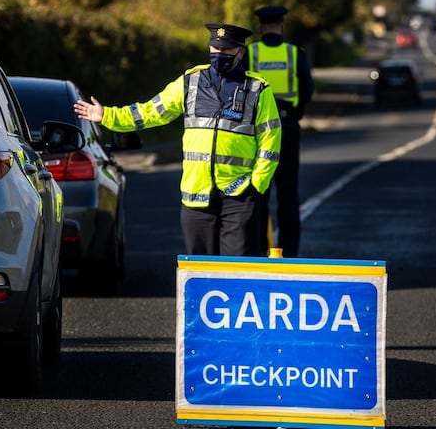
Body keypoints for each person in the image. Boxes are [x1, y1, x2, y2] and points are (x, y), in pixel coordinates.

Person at [74, 22, 281, 257]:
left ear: (240, 53)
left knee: (237, 271)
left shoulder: (257, 89)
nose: (219, 55)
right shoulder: (191, 81)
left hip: (239, 196)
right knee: (199, 269)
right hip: (196, 196)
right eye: (215, 49)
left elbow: (270, 141)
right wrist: (107, 116)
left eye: (226, 51)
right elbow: (151, 111)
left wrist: (256, 184)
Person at [248, 5, 313, 257]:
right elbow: (307, 89)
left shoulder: (250, 53)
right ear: (282, 26)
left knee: (258, 192)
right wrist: (297, 113)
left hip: (255, 132)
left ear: (261, 27)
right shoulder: (294, 54)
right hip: (286, 128)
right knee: (288, 195)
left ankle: (258, 251)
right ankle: (289, 254)